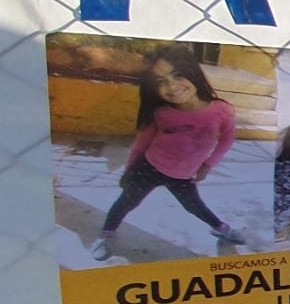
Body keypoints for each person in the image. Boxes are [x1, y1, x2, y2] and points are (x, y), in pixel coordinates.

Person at [92, 47, 246, 259]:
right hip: (149, 168)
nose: (172, 86)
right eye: (160, 81)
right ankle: (106, 235)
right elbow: (142, 143)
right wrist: (129, 171)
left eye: (178, 75)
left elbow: (227, 139)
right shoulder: (161, 112)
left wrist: (208, 165)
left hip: (183, 176)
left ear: (192, 72)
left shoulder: (220, 110)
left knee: (194, 206)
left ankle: (221, 228)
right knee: (127, 201)